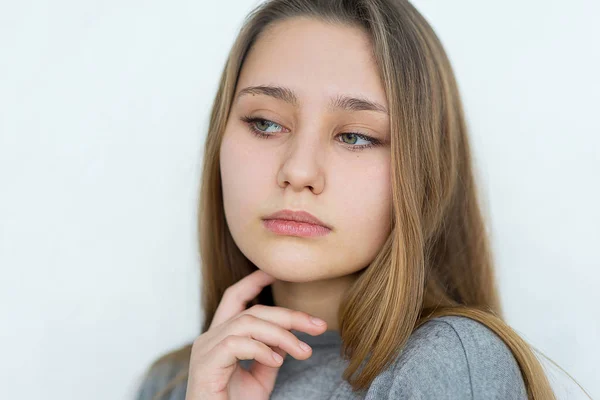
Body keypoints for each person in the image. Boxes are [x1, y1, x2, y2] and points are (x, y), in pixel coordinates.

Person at [134, 0, 573, 399]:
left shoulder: (448, 360)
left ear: (422, 171)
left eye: (355, 136)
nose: (299, 171)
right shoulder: (175, 382)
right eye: (266, 124)